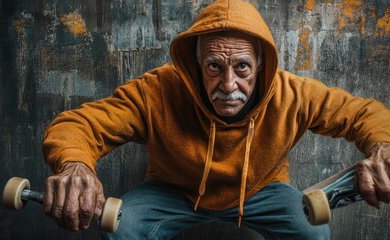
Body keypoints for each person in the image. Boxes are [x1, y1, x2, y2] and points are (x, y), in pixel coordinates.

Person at [41, 0, 390, 239]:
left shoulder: (292, 94)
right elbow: (81, 124)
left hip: (261, 191)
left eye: (241, 67)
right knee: (121, 225)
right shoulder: (158, 91)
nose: (228, 84)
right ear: (196, 66)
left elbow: (362, 112)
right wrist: (75, 165)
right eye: (213, 67)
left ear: (260, 66)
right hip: (173, 192)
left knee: (313, 231)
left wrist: (384, 147)